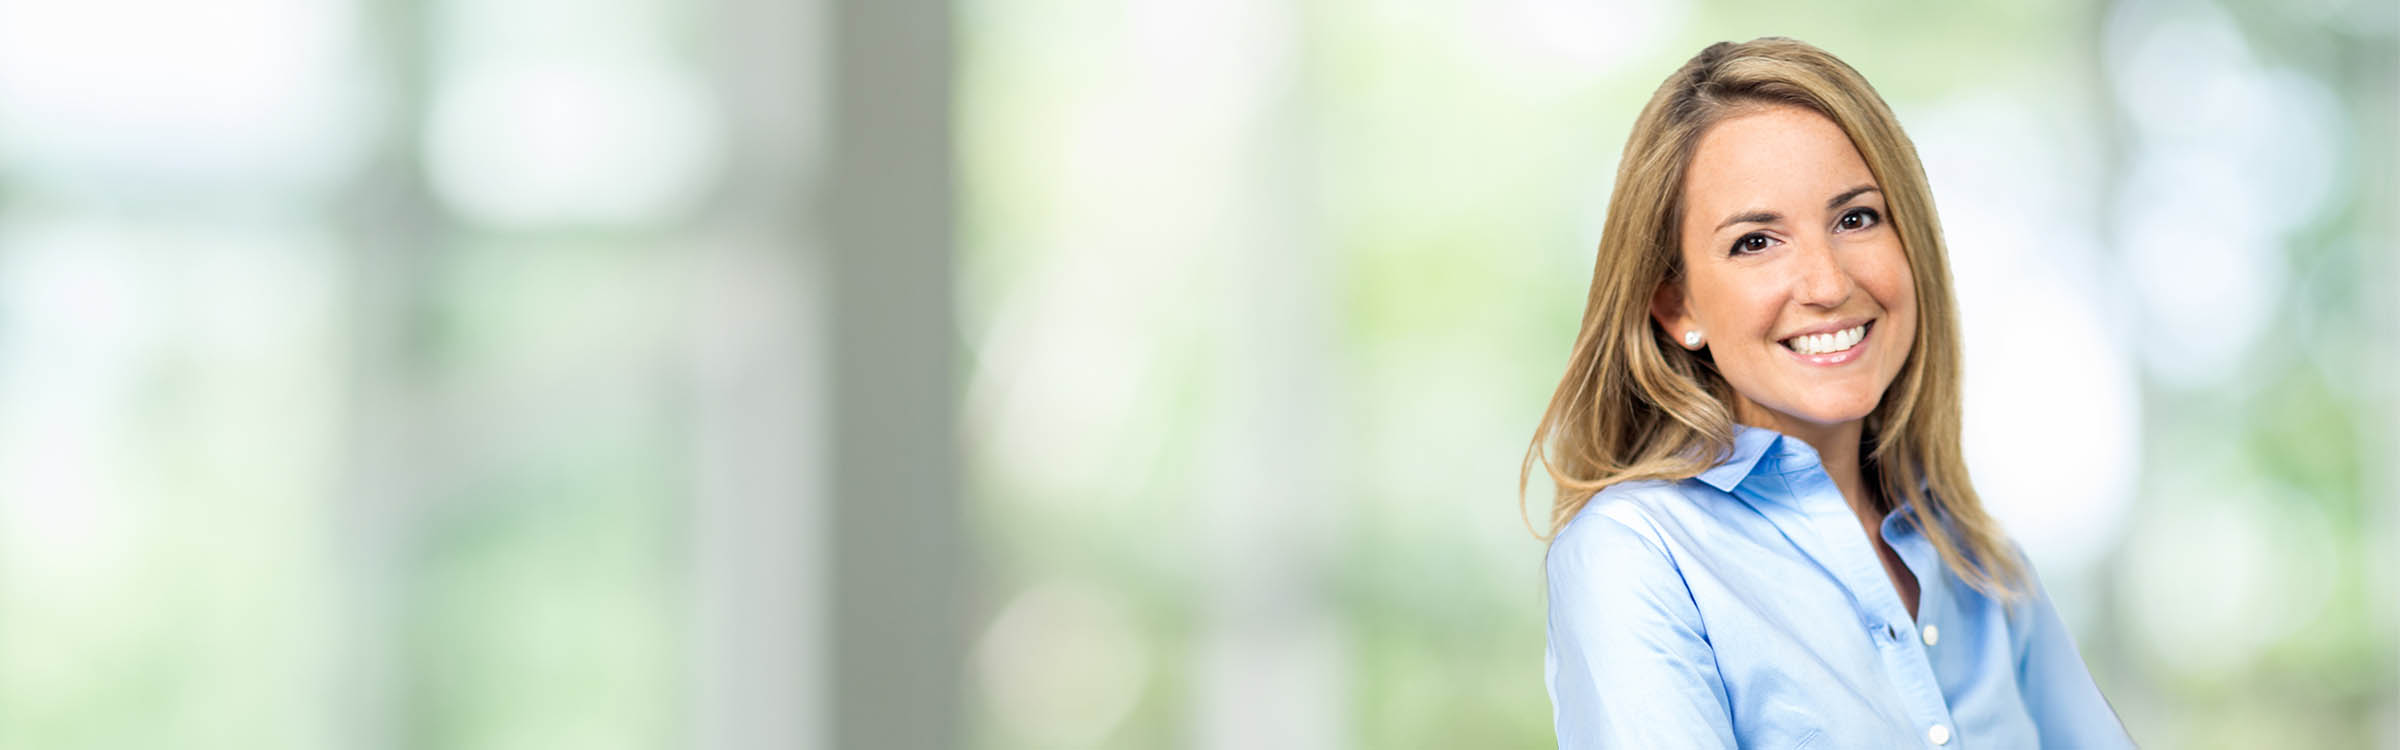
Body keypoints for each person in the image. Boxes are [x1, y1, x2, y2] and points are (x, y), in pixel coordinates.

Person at [1520, 38, 2135, 748]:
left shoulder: (1985, 568)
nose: (1828, 283)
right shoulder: (1636, 554)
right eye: (1756, 241)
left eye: (1856, 218)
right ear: (1676, 306)